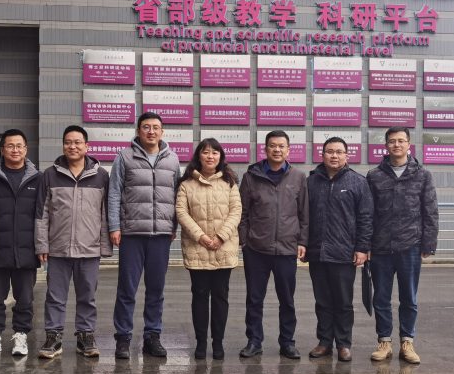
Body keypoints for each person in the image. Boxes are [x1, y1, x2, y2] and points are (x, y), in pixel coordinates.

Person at [35, 125, 112, 359]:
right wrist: (42, 244)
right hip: (58, 248)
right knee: (55, 297)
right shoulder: (50, 175)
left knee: (87, 296)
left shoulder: (101, 176)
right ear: (63, 146)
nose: (73, 146)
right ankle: (53, 337)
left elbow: (105, 213)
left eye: (77, 142)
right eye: (68, 142)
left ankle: (85, 336)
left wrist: (104, 245)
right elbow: (41, 213)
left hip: (89, 249)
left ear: (86, 146)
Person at [108, 112, 180, 359]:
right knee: (127, 289)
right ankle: (123, 337)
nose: (151, 131)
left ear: (162, 131)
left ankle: (152, 336)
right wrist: (114, 226)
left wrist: (173, 226)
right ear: (138, 130)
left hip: (161, 235)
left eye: (155, 127)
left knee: (156, 289)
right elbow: (114, 193)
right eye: (146, 127)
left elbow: (176, 195)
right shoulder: (124, 157)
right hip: (132, 233)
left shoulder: (172, 159)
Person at [366, 127, 439, 365]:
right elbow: (367, 213)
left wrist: (428, 243)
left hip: (410, 246)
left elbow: (430, 211)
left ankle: (407, 342)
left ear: (409, 144)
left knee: (409, 297)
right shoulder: (374, 176)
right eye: (392, 141)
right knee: (381, 298)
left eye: (401, 141)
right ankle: (384, 342)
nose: (396, 145)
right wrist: (366, 244)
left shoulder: (423, 175)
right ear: (386, 145)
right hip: (381, 247)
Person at [237, 130, 308, 360]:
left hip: (286, 249)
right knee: (254, 298)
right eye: (272, 146)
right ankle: (254, 341)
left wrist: (302, 241)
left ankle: (287, 342)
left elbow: (304, 214)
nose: (277, 150)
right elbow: (242, 212)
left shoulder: (298, 177)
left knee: (287, 299)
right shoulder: (251, 177)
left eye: (281, 146)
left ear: (288, 150)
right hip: (256, 249)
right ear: (265, 149)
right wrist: (244, 241)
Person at [0, 128, 41, 358]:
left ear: (26, 149)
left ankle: (21, 336)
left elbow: (43, 215)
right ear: (2, 150)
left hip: (27, 250)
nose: (15, 150)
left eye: (19, 146)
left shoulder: (37, 178)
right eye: (10, 146)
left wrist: (41, 246)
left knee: (25, 298)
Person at [306, 137, 373, 362]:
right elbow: (304, 216)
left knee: (343, 301)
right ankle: (325, 341)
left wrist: (362, 248)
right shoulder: (311, 181)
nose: (334, 156)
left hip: (344, 253)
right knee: (322, 301)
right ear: (322, 154)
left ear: (347, 155)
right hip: (317, 252)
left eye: (339, 152)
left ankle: (344, 343)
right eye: (329, 151)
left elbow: (366, 218)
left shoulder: (358, 182)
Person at [175, 138, 242, 360]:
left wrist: (221, 237)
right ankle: (201, 343)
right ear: (198, 156)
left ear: (221, 157)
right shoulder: (186, 184)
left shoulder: (230, 182)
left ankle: (218, 343)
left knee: (221, 297)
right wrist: (201, 237)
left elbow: (236, 212)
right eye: (205, 152)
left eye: (214, 152)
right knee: (200, 296)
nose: (210, 156)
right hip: (197, 248)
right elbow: (181, 212)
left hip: (224, 247)